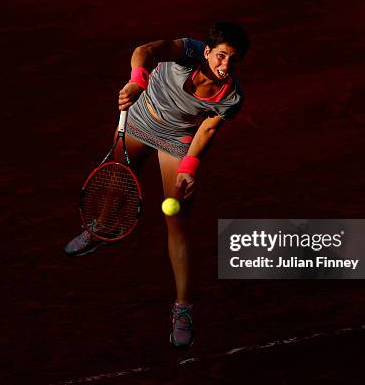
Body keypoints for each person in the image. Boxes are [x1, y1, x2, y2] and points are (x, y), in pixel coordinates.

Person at [65, 22, 250, 349]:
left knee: (176, 221)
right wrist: (139, 81)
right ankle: (101, 229)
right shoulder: (189, 51)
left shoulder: (231, 96)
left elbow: (206, 131)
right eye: (221, 56)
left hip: (175, 142)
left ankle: (183, 307)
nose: (225, 66)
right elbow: (145, 51)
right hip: (138, 120)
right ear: (207, 51)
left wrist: (189, 169)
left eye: (233, 60)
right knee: (115, 181)